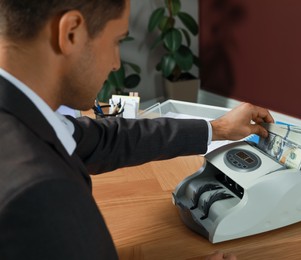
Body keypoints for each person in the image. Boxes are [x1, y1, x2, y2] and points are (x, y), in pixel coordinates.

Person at [0, 0, 273, 259]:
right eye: (117, 40)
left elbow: (107, 138)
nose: (116, 63)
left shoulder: (19, 115)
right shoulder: (40, 194)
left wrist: (218, 128)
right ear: (71, 32)